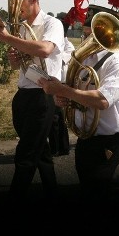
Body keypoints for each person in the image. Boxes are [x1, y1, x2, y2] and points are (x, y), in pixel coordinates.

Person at [38, 6, 119, 203]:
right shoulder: (84, 61)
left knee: (97, 188)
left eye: (92, 34)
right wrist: (62, 98)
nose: (86, 40)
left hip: (109, 138)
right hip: (86, 136)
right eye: (85, 33)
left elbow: (102, 100)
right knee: (87, 186)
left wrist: (63, 91)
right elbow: (74, 91)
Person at [0, 0, 65, 201]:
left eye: (20, 2)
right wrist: (14, 54)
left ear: (34, 0)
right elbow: (15, 65)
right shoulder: (20, 28)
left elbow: (46, 49)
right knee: (41, 152)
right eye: (13, 1)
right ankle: (52, 191)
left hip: (43, 95)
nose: (17, 8)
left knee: (26, 153)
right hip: (24, 94)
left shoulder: (52, 23)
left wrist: (9, 38)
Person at [48, 22, 74, 157]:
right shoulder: (55, 43)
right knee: (56, 118)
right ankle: (60, 147)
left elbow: (59, 61)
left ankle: (59, 148)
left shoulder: (69, 46)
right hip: (53, 83)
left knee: (57, 118)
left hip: (62, 84)